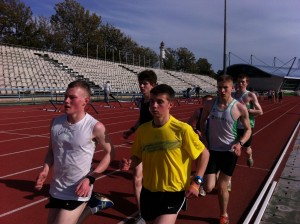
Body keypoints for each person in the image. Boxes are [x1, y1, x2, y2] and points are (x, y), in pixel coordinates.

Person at [121, 84, 209, 224]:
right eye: (152, 101)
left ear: (170, 105)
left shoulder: (182, 129)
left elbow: (204, 154)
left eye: (160, 102)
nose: (154, 106)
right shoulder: (143, 130)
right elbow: (137, 156)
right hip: (149, 191)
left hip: (173, 192)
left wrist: (197, 182)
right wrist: (130, 163)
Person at [35, 80, 114, 224]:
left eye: (72, 97)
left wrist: (90, 178)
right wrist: (45, 170)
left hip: (79, 189)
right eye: (66, 96)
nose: (66, 101)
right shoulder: (55, 122)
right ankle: (93, 206)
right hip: (57, 187)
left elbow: (110, 153)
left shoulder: (95, 127)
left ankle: (90, 204)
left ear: (86, 101)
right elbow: (51, 150)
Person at [200, 75, 251, 224]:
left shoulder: (239, 107)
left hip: (229, 152)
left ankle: (223, 215)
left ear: (232, 88)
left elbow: (248, 130)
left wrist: (239, 144)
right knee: (209, 187)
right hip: (213, 150)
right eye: (219, 87)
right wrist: (204, 138)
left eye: (225, 88)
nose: (222, 90)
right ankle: (197, 181)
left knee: (222, 185)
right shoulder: (210, 104)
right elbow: (202, 121)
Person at [123, 69, 157, 224]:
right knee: (136, 177)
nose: (142, 86)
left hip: (157, 145)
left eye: (145, 84)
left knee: (155, 180)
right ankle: (142, 214)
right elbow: (141, 119)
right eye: (140, 83)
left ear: (153, 85)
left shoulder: (156, 103)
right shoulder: (142, 101)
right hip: (141, 143)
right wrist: (131, 130)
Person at [187, 94, 214, 196]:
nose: (208, 104)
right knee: (200, 163)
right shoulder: (199, 112)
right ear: (202, 102)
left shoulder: (216, 112)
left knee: (213, 161)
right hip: (201, 140)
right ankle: (200, 185)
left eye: (210, 102)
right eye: (206, 102)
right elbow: (189, 124)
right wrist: (196, 131)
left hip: (213, 141)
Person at [234, 74, 263, 167]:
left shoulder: (250, 95)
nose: (240, 83)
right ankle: (228, 177)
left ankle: (249, 157)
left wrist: (248, 110)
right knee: (232, 149)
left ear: (247, 83)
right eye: (239, 81)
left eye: (243, 82)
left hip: (246, 126)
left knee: (246, 150)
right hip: (234, 126)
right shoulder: (233, 95)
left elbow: (260, 111)